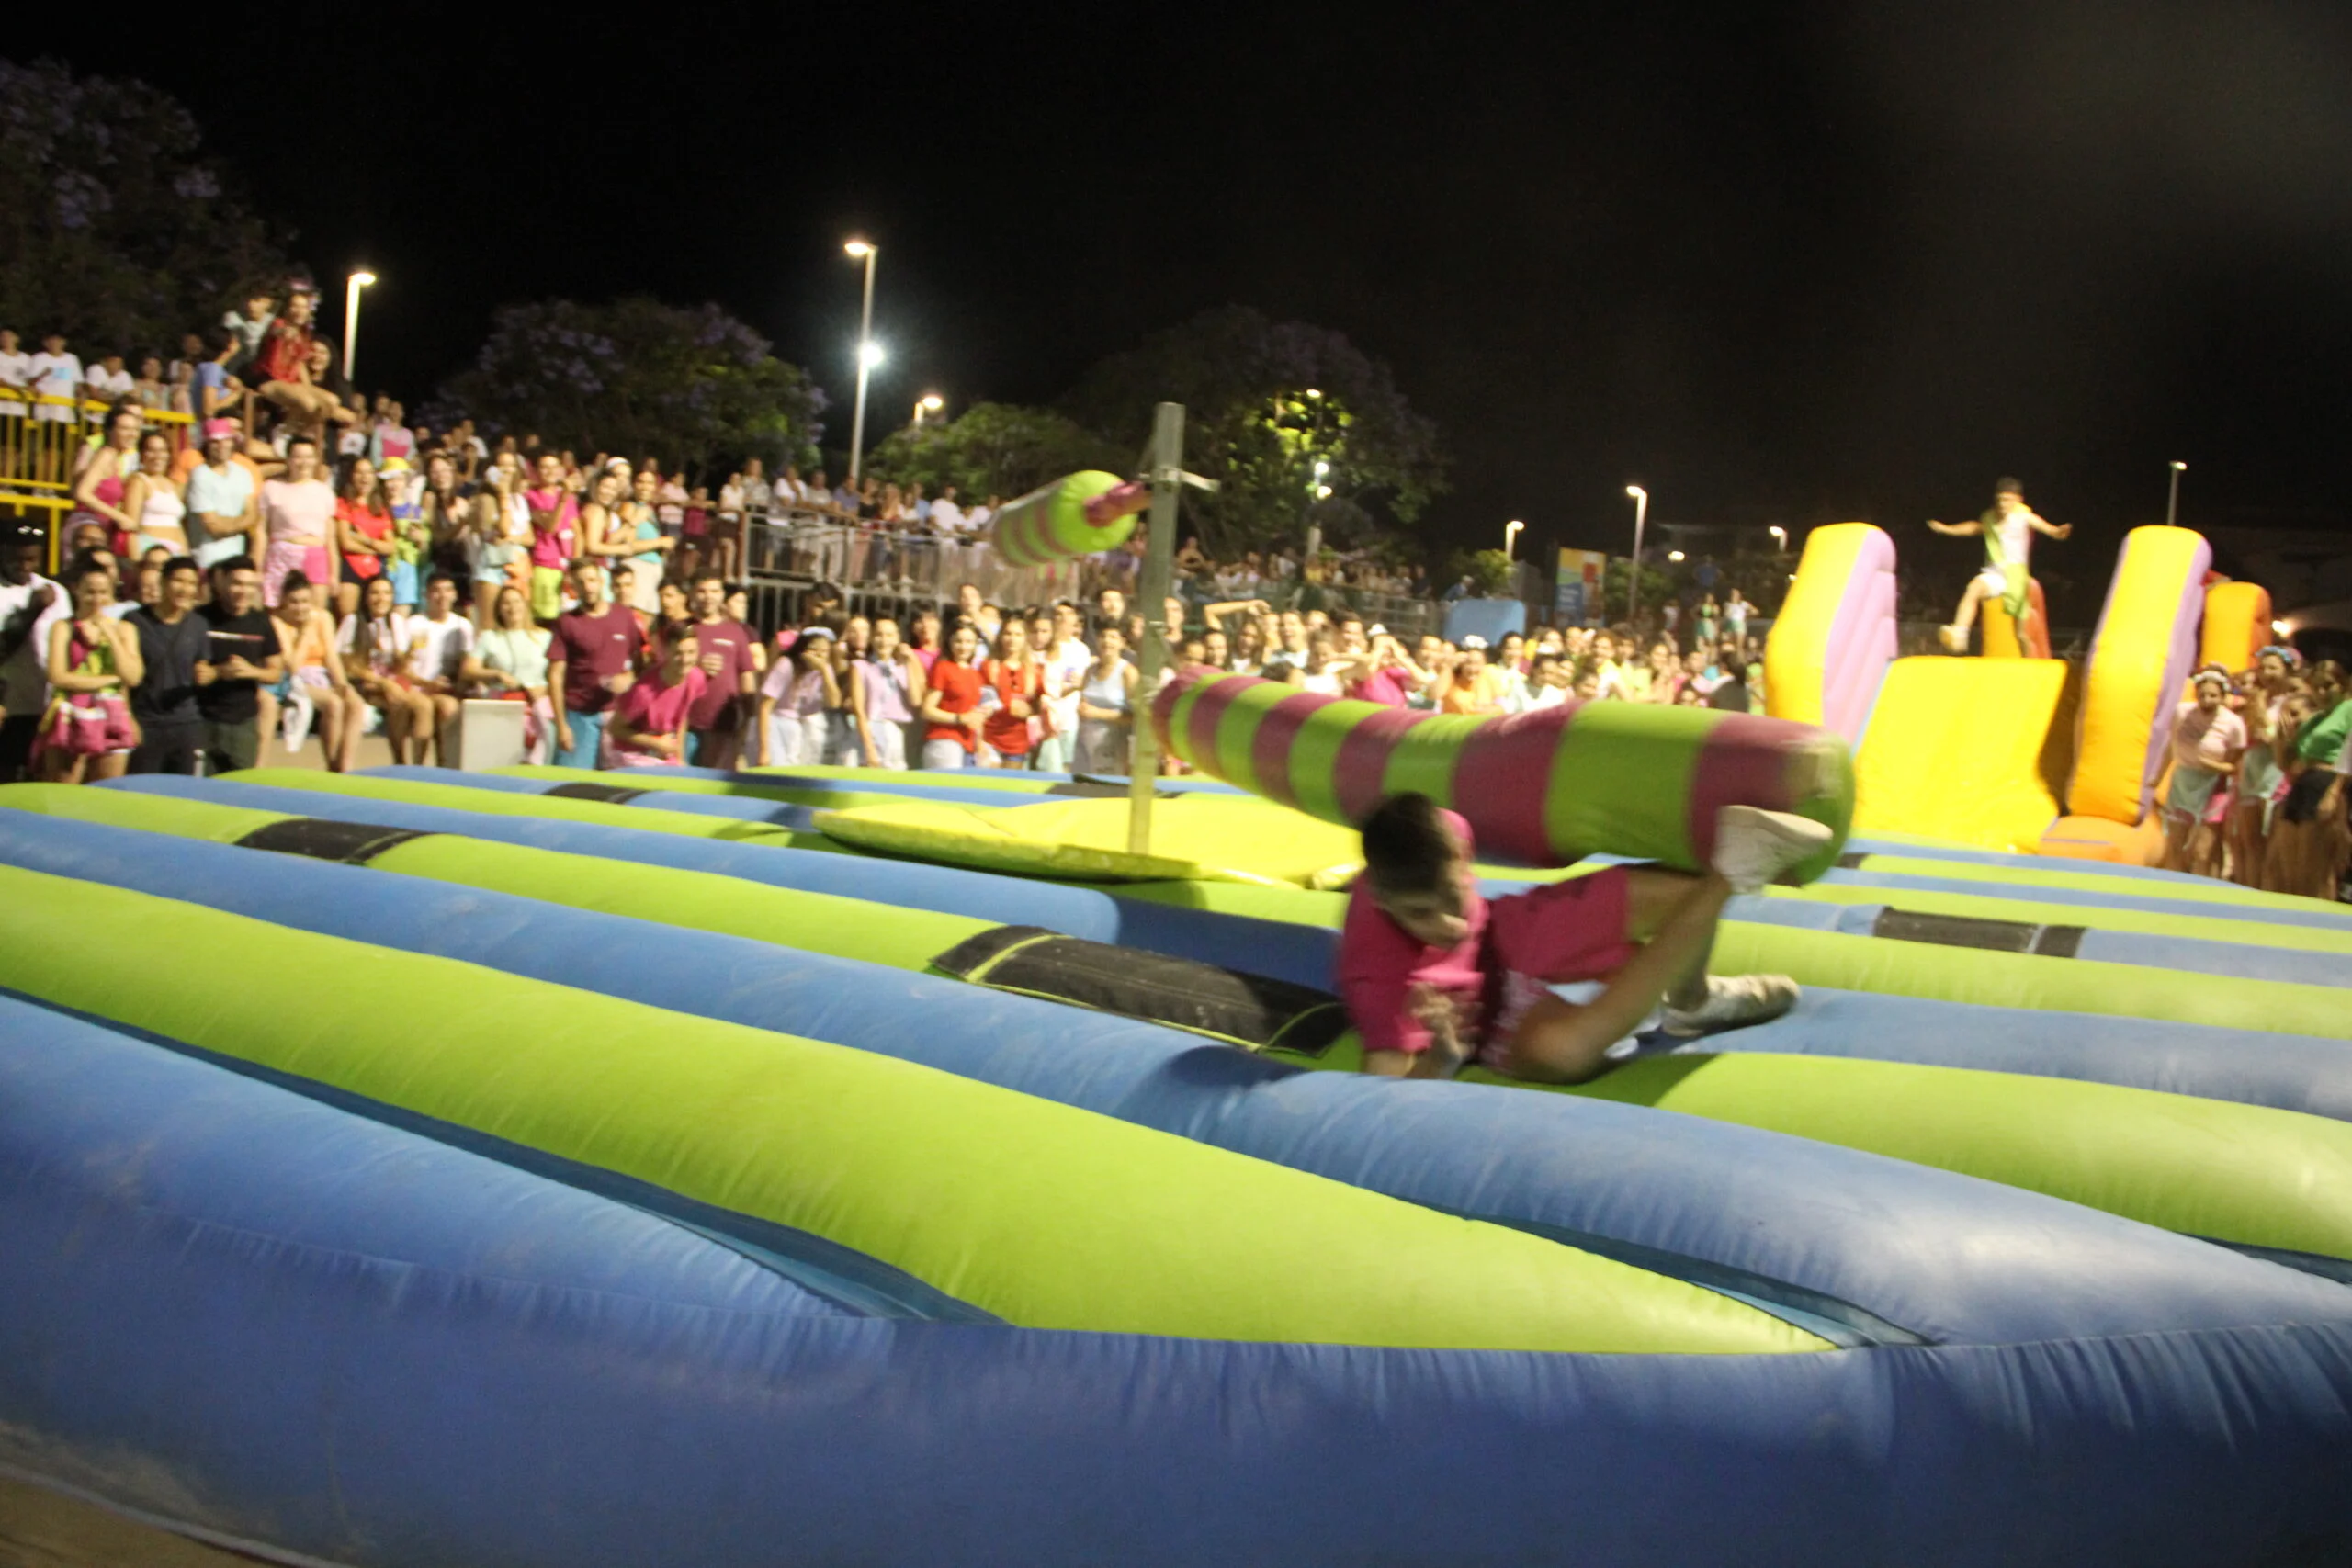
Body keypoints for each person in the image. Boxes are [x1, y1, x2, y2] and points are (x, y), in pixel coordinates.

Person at [1340, 793, 1831, 1083]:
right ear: (1382, 901)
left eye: (1454, 896)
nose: (1450, 924)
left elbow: (1453, 847)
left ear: (1462, 863)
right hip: (1494, 1016)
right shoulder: (1382, 979)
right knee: (1562, 1052)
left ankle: (1692, 997)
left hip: (1506, 933)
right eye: (1422, 915)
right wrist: (1443, 1055)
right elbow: (1385, 1087)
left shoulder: (1443, 833)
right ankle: (1735, 869)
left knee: (1681, 895)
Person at [1929, 478, 2071, 653]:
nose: (2002, 504)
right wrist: (1947, 529)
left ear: (2018, 500)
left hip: (2016, 578)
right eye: (2000, 499)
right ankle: (1959, 634)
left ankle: (2032, 668)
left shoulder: (2023, 517)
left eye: (2007, 500)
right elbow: (1974, 528)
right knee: (1974, 588)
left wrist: (2057, 532)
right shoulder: (1990, 518)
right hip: (1995, 574)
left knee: (2021, 634)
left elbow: (2047, 528)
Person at [37, 558, 145, 783]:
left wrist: (112, 636)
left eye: (103, 593)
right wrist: (110, 680)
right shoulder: (63, 627)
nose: (96, 600)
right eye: (90, 592)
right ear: (77, 591)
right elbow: (58, 676)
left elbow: (133, 677)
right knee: (65, 791)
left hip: (112, 715)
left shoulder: (124, 629)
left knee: (107, 791)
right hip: (72, 714)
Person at [548, 560, 646, 771]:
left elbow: (640, 664)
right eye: (581, 582)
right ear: (573, 587)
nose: (588, 587)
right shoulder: (567, 622)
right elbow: (555, 676)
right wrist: (562, 725)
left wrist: (629, 678)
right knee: (571, 786)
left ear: (602, 582)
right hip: (579, 716)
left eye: (592, 580)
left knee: (616, 786)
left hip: (617, 716)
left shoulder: (624, 616)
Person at [192, 556, 284, 773]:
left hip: (243, 723)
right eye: (237, 583)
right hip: (203, 720)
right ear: (222, 582)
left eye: (250, 585)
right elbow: (192, 668)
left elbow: (275, 673)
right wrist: (217, 672)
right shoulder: (200, 619)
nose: (243, 591)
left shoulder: (261, 622)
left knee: (241, 792)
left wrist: (249, 671)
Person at [261, 571, 360, 771]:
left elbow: (331, 656)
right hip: (293, 679)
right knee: (334, 703)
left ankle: (345, 764)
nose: (300, 607)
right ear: (284, 601)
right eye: (294, 602)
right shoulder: (277, 622)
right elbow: (292, 666)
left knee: (355, 703)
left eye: (305, 601)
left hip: (321, 674)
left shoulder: (323, 617)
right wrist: (305, 632)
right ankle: (333, 765)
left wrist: (342, 683)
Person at [337, 573, 434, 765]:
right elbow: (347, 663)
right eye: (375, 593)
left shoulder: (396, 622)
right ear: (366, 597)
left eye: (386, 593)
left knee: (425, 705)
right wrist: (383, 682)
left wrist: (411, 654)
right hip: (365, 680)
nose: (381, 598)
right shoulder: (353, 621)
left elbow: (399, 667)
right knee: (399, 700)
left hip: (391, 679)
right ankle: (399, 760)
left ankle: (419, 765)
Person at [124, 556, 209, 774]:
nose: (185, 589)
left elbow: (203, 668)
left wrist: (211, 673)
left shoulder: (198, 624)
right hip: (146, 722)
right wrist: (128, 719)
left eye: (192, 584)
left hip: (186, 724)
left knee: (184, 795)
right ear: (162, 582)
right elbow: (122, 676)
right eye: (179, 581)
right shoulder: (134, 620)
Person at [2160, 670, 2246, 877]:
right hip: (2184, 780)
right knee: (2176, 843)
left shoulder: (2233, 724)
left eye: (2213, 695)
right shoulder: (2182, 712)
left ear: (2223, 696)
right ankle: (2170, 888)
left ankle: (2201, 893)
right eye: (2202, 695)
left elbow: (2235, 766)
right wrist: (2158, 777)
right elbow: (2170, 747)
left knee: (2202, 850)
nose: (2207, 700)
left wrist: (2212, 765)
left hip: (2214, 785)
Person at [0, 524, 66, 783]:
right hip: (7, 707)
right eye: (17, 559)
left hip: (46, 706)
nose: (25, 566)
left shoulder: (54, 590)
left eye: (32, 559)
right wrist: (33, 611)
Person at [463, 583, 558, 765]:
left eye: (516, 601)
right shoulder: (489, 637)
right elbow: (468, 670)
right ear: (499, 609)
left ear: (525, 604)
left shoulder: (545, 637)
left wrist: (545, 689)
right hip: (506, 700)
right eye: (506, 603)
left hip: (538, 700)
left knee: (546, 728)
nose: (512, 607)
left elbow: (556, 672)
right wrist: (495, 674)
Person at [679, 572, 758, 766]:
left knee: (715, 785)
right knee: (683, 783)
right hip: (685, 724)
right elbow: (663, 670)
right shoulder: (681, 629)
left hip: (724, 725)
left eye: (714, 591)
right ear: (692, 594)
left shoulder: (736, 631)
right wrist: (695, 665)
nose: (708, 597)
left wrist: (747, 721)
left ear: (722, 595)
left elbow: (747, 678)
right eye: (702, 591)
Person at [606, 628, 706, 768]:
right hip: (632, 755)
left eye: (691, 652)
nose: (685, 660)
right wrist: (655, 742)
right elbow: (615, 728)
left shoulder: (696, 678)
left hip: (663, 750)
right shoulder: (644, 691)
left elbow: (682, 717)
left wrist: (679, 757)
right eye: (678, 653)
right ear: (666, 652)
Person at [259, 437, 339, 607]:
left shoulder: (324, 491)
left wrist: (334, 575)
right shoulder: (271, 487)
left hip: (315, 553)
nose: (304, 463)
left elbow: (331, 537)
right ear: (288, 459)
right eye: (298, 457)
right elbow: (262, 532)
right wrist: (258, 568)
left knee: (315, 611)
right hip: (281, 554)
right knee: (277, 607)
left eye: (309, 457)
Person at [407, 574, 474, 761]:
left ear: (454, 594)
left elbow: (466, 662)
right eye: (436, 591)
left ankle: (445, 765)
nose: (442, 596)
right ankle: (416, 766)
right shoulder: (414, 624)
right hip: (417, 687)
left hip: (445, 689)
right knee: (425, 708)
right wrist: (426, 683)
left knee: (449, 708)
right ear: (427, 595)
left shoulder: (462, 626)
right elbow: (402, 667)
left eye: (447, 590)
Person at [846, 615, 922, 769]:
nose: (884, 640)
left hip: (895, 731)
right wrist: (869, 747)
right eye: (879, 635)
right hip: (871, 729)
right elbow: (859, 710)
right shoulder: (861, 667)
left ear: (897, 638)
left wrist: (909, 661)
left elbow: (915, 700)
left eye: (889, 635)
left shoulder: (901, 669)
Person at [756, 623, 837, 766]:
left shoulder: (825, 670)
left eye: (824, 651)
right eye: (813, 649)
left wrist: (824, 671)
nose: (819, 655)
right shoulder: (786, 664)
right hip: (777, 723)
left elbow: (834, 702)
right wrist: (764, 750)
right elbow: (765, 707)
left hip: (803, 726)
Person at [185, 419, 260, 570]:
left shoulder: (242, 473)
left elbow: (253, 515)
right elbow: (212, 527)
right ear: (206, 445)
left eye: (225, 440)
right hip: (206, 558)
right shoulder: (200, 475)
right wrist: (241, 522)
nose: (221, 446)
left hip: (236, 556)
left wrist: (225, 523)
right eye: (215, 442)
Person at [332, 457, 396, 620]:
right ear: (352, 476)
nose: (364, 477)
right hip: (350, 567)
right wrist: (375, 549)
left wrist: (365, 539)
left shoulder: (380, 509)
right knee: (348, 619)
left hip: (376, 569)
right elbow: (346, 542)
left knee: (376, 619)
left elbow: (390, 547)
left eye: (369, 473)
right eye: (359, 472)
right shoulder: (343, 504)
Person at [919, 622, 986, 769]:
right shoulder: (942, 668)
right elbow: (927, 710)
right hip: (944, 741)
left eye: (969, 642)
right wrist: (959, 718)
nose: (963, 647)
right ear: (950, 642)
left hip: (968, 744)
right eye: (958, 641)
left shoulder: (975, 674)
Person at [1074, 624, 1138, 773]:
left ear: (1122, 643)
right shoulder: (1090, 671)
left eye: (1113, 637)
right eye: (1103, 637)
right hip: (1085, 742)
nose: (1107, 641)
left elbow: (1136, 716)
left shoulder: (1128, 673)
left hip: (1114, 744)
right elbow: (1083, 703)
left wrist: (1098, 713)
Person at [978, 621, 1042, 769]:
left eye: (1018, 634)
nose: (1012, 639)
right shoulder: (988, 666)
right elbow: (980, 699)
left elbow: (1039, 703)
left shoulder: (1034, 671)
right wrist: (1007, 704)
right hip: (990, 737)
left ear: (1025, 638)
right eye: (1008, 634)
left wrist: (1031, 710)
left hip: (1018, 740)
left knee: (1010, 784)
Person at [119, 431, 188, 558]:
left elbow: (178, 524)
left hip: (176, 552)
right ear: (142, 454)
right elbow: (131, 525)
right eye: (151, 450)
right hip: (150, 549)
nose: (158, 456)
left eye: (163, 450)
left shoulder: (173, 485)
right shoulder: (139, 481)